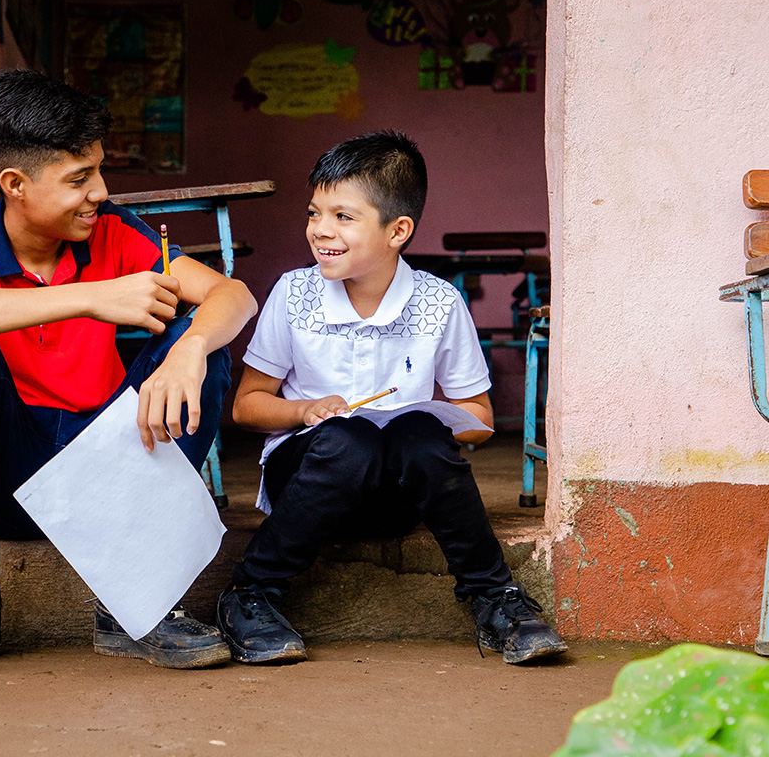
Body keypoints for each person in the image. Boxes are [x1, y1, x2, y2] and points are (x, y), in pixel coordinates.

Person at [0, 69, 257, 677]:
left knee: (200, 347)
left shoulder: (117, 234)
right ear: (15, 184)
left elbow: (234, 296)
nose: (99, 191)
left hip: (109, 479)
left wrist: (189, 348)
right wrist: (86, 298)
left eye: (98, 171)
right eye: (79, 178)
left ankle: (133, 599)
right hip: (8, 485)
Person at [216, 131, 567, 666]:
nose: (320, 231)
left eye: (343, 217)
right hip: (310, 484)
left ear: (398, 230)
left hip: (397, 499)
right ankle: (250, 594)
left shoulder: (438, 303)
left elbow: (478, 420)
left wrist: (428, 422)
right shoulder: (294, 293)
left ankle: (496, 599)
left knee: (419, 436)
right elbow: (247, 405)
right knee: (347, 439)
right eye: (314, 213)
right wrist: (303, 411)